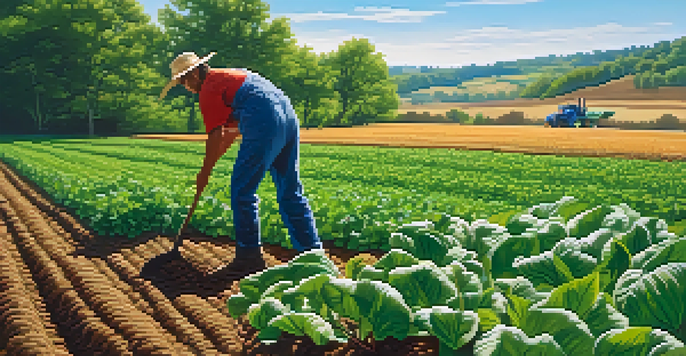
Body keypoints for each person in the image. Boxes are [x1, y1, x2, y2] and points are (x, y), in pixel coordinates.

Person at [159, 51, 323, 274]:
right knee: (290, 190)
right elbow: (230, 133)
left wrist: (204, 171)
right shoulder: (231, 76)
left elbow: (215, 136)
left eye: (184, 80)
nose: (185, 86)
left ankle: (249, 257)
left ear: (196, 73)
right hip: (287, 115)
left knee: (241, 191)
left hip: (264, 119)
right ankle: (313, 255)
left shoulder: (208, 89)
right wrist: (209, 167)